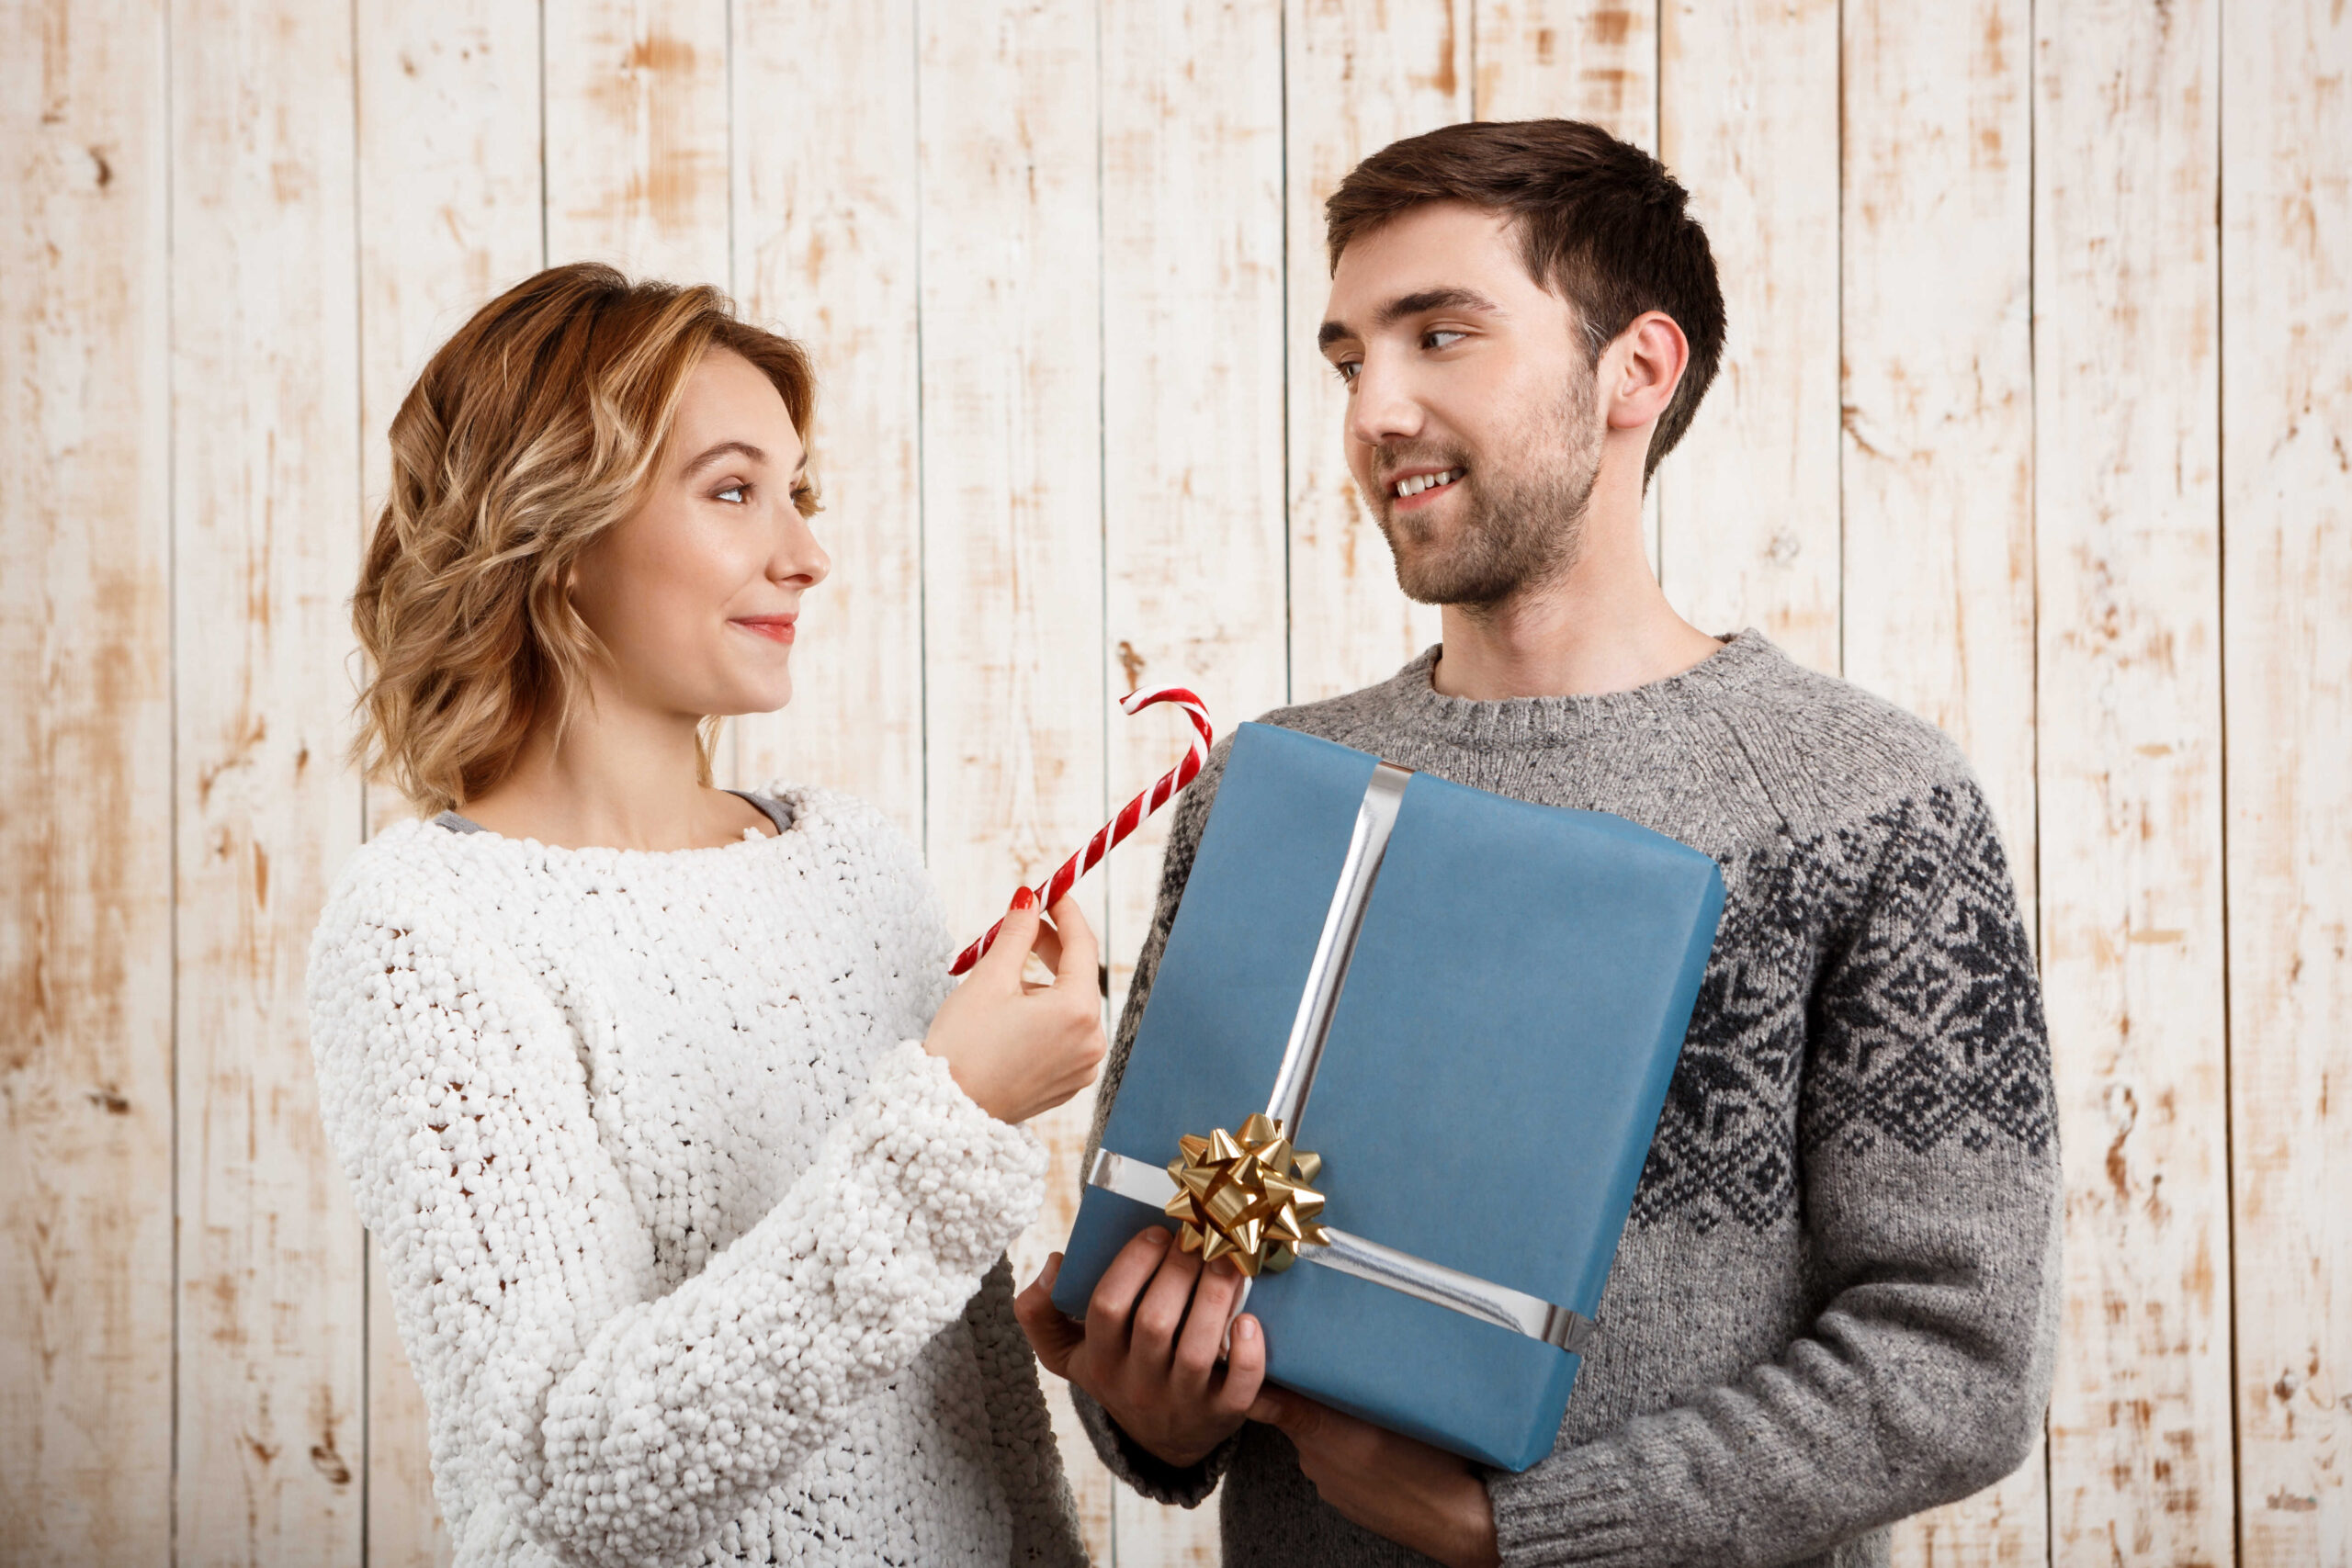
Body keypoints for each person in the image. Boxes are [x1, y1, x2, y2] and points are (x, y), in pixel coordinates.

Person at [1015, 118, 2061, 1568]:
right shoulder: (1270, 789)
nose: (1375, 408)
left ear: (1637, 369)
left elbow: (1960, 1363)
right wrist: (1155, 1406)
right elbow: (1158, 1321)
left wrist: (1513, 1528)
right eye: (1348, 358)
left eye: (1440, 335)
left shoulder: (1871, 801)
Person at [307, 265, 1099, 1568]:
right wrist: (954, 1117)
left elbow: (953, 1411)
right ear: (551, 530)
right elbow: (571, 1479)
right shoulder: (429, 930)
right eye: (734, 491)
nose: (804, 552)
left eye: (799, 492)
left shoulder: (851, 865)